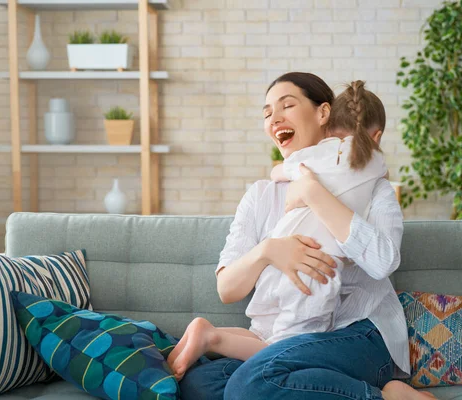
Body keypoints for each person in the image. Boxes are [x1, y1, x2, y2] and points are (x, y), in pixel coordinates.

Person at [178, 72, 436, 400]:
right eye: (267, 112)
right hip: (285, 344)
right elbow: (227, 289)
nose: (275, 118)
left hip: (359, 335)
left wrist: (313, 191)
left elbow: (383, 259)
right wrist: (268, 251)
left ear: (323, 113)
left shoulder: (374, 189)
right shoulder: (260, 195)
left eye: (287, 105)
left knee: (249, 385)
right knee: (199, 384)